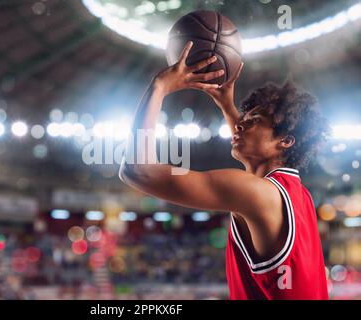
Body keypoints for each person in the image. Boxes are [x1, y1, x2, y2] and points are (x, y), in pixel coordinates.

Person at [119, 41, 330, 299]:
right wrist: (227, 107)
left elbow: (137, 170)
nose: (240, 125)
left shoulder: (256, 193)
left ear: (285, 141)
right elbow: (257, 164)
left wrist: (159, 87)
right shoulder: (299, 195)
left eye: (254, 121)